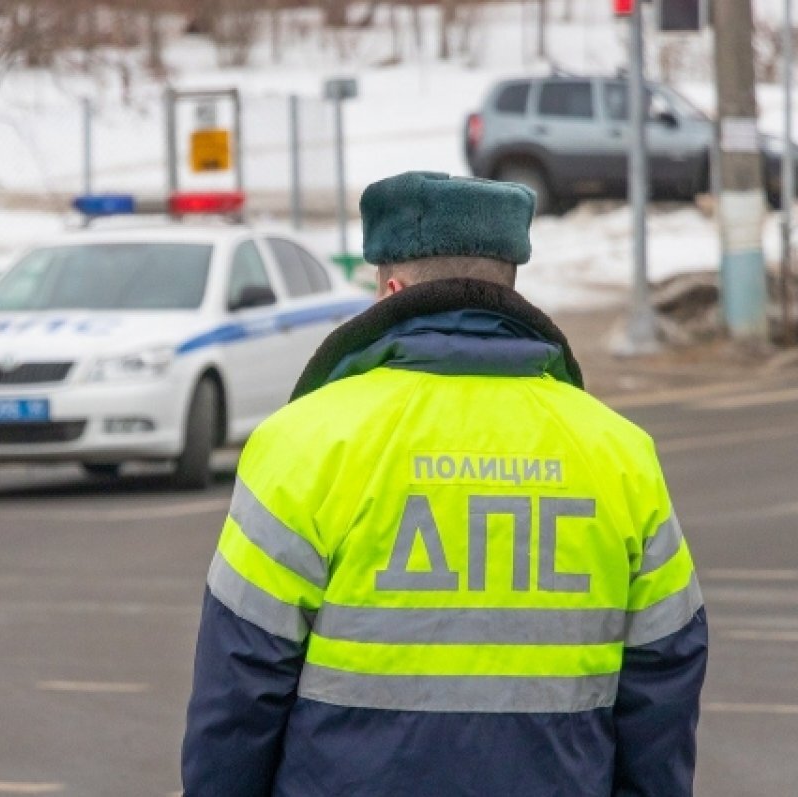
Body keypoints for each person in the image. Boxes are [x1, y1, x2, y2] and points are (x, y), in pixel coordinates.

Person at [181, 172, 707, 797]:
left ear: (392, 288)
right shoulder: (620, 454)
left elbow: (239, 687)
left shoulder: (302, 444)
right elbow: (665, 676)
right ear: (509, 286)